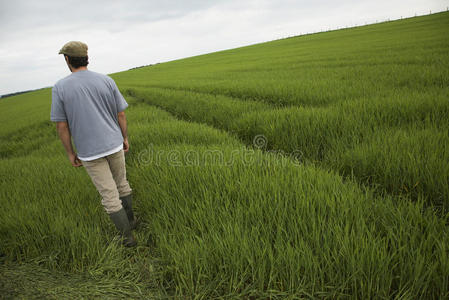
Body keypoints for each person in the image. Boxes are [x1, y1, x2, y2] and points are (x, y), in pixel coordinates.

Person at [50, 41, 137, 247]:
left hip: (89, 152)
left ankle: (127, 239)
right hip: (114, 144)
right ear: (86, 57)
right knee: (121, 183)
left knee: (109, 194)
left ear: (67, 59)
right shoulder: (106, 80)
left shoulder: (60, 87)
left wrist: (70, 153)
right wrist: (124, 137)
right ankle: (132, 221)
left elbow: (62, 127)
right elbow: (121, 114)